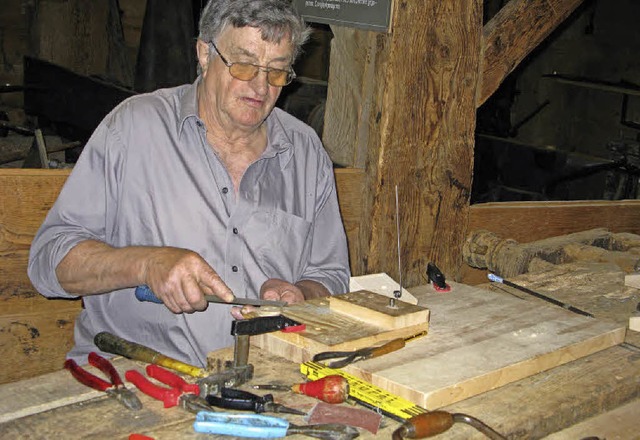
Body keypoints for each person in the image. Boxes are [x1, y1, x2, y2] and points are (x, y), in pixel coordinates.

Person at [27, 0, 350, 368]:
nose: (260, 87)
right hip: (139, 375)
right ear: (204, 53)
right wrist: (147, 264)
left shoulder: (305, 151)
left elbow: (331, 275)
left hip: (264, 377)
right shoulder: (135, 128)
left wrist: (302, 294)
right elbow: (49, 262)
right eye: (243, 65)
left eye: (276, 72)